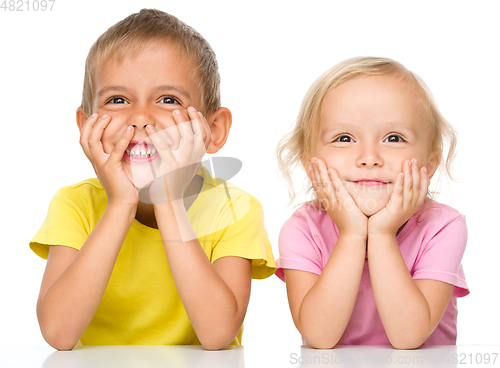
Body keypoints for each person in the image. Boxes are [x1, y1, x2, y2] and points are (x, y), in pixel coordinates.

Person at [30, 9, 276, 351]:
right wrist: (120, 204)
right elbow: (58, 333)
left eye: (168, 99)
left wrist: (169, 201)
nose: (141, 118)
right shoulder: (76, 204)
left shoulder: (233, 209)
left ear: (214, 130)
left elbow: (217, 334)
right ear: (85, 126)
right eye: (117, 100)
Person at [275, 57, 468, 349]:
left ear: (429, 164)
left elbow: (408, 337)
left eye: (393, 138)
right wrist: (352, 234)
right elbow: (319, 337)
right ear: (309, 164)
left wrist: (381, 233)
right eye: (344, 138)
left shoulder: (442, 226)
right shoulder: (303, 229)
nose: (368, 157)